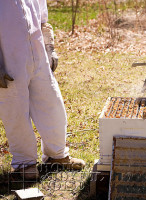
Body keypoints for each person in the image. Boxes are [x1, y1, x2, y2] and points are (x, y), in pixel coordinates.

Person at [0, 0, 85, 180]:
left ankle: (57, 155)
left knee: (52, 104)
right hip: (8, 62)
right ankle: (25, 164)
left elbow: (43, 22)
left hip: (39, 57)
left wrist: (50, 48)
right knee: (15, 112)